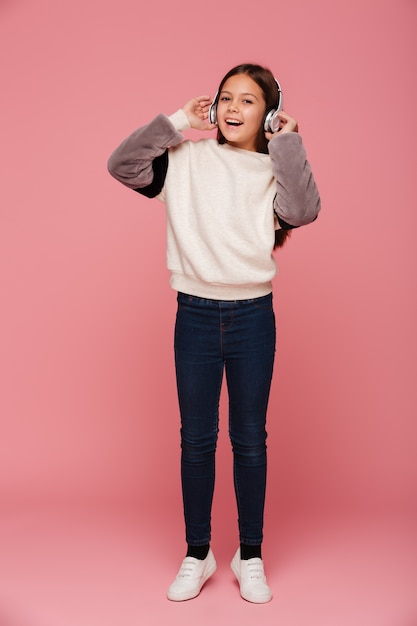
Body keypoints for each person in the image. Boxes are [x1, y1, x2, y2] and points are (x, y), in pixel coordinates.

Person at [107, 63, 321, 603]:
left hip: (253, 316)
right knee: (196, 440)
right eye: (226, 97)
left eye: (248, 101)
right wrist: (179, 120)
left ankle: (251, 555)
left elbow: (304, 210)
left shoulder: (274, 167)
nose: (232, 108)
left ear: (268, 114)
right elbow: (122, 164)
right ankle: (197, 553)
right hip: (195, 315)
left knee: (250, 440)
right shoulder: (186, 160)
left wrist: (289, 145)